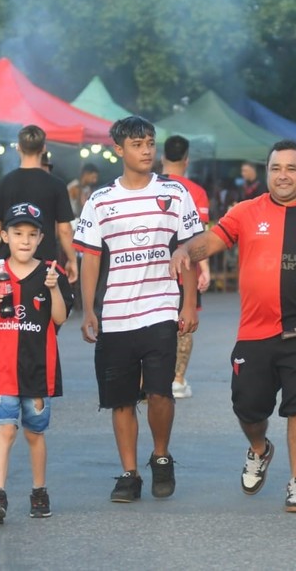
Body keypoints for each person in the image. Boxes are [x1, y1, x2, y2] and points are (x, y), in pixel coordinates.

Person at [171, 140, 296, 513]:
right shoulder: (245, 211)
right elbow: (210, 241)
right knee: (248, 408)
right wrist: (184, 250)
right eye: (276, 168)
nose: (282, 175)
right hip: (254, 331)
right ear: (267, 171)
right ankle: (260, 448)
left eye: (291, 168)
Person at [75, 116, 202, 502]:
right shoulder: (100, 200)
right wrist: (89, 310)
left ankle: (161, 457)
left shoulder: (174, 192)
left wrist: (189, 303)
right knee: (121, 399)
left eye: (150, 143)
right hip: (115, 314)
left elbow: (190, 249)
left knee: (160, 393)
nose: (147, 151)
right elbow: (90, 259)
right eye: (137, 144)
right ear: (119, 149)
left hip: (160, 308)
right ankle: (129, 473)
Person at [0, 202, 73, 524]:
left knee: (34, 434)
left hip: (39, 369)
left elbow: (59, 318)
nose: (25, 240)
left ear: (41, 238)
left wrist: (53, 289)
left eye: (32, 234)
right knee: (5, 430)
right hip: (5, 369)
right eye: (18, 233)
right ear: (4, 236)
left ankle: (39, 490)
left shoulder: (52, 273)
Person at [0, 125, 78, 285]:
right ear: (43, 148)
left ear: (18, 148)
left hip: (9, 263)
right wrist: (72, 260)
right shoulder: (56, 185)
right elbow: (65, 230)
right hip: (44, 263)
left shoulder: (4, 183)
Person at [161, 135, 211, 399]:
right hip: (185, 269)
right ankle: (177, 381)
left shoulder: (150, 185)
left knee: (151, 325)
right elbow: (198, 236)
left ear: (161, 157)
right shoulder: (195, 191)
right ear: (187, 159)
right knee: (185, 324)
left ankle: (149, 380)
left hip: (154, 271)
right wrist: (205, 269)